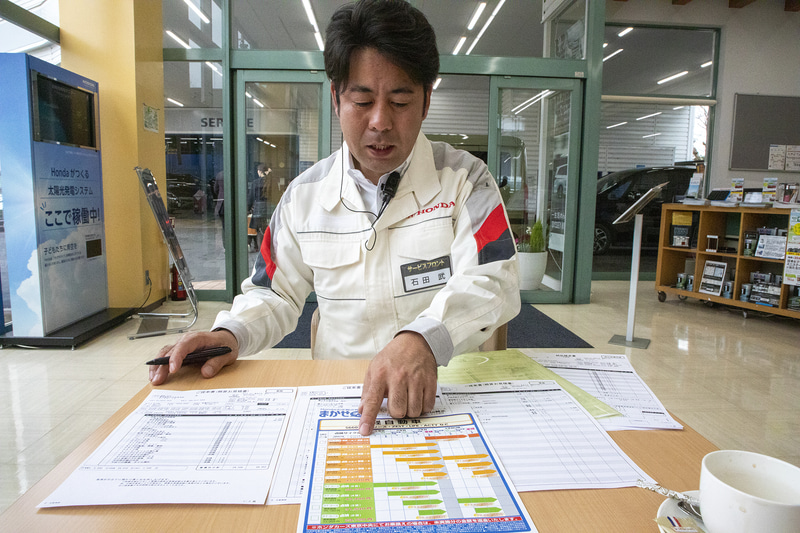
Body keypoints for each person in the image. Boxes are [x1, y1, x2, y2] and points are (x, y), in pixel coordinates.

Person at [149, 0, 520, 436]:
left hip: (445, 398)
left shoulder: (466, 180)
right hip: (342, 406)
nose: (380, 122)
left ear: (425, 102)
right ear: (335, 98)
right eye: (362, 100)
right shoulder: (303, 197)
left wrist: (423, 339)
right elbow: (273, 293)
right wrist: (230, 333)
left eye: (400, 101)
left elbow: (494, 278)